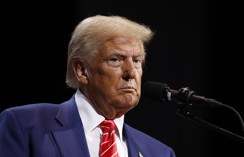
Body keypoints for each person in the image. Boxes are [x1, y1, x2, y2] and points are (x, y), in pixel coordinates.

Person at [0, 14, 176, 157]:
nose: (131, 73)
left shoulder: (159, 153)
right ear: (82, 70)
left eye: (137, 61)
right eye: (115, 60)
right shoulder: (24, 125)